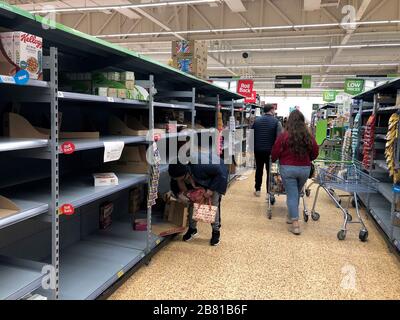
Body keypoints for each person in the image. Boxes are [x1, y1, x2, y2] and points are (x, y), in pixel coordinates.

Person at [271, 110, 319, 235]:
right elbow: (315, 151)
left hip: (288, 169)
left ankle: (296, 223)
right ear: (303, 122)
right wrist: (309, 159)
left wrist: (274, 159)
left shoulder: (284, 135)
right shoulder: (308, 136)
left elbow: (275, 151)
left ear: (289, 122)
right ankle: (290, 215)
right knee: (296, 193)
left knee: (292, 194)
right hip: (304, 169)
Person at [168, 152, 228, 246]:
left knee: (213, 205)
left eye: (180, 179)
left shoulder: (200, 166)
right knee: (193, 203)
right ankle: (192, 229)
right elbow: (175, 183)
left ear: (186, 173)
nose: (178, 181)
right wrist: (179, 195)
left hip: (218, 176)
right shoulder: (177, 169)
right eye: (176, 179)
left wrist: (211, 189)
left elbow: (220, 173)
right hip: (200, 177)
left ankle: (216, 232)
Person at [251, 104, 282, 197]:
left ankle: (257, 190)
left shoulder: (256, 121)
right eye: (274, 110)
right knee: (271, 171)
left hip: (258, 150)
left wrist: (252, 148)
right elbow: (279, 139)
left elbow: (251, 136)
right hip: (271, 152)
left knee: (259, 170)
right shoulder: (277, 122)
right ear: (271, 110)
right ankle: (269, 192)